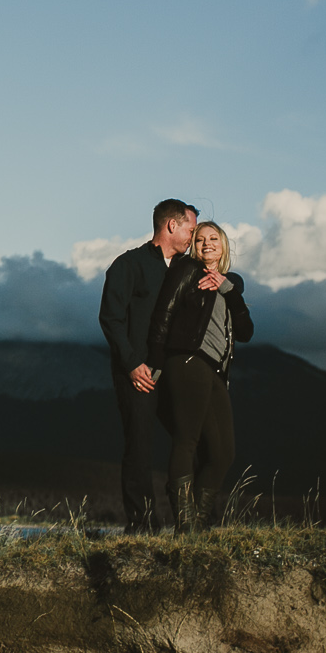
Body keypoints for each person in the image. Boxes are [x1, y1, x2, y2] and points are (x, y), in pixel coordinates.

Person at [147, 220, 253, 533]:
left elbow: (246, 332)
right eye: (201, 239)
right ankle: (186, 524)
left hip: (215, 371)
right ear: (194, 247)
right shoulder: (186, 271)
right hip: (188, 360)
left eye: (213, 238)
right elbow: (164, 312)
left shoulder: (229, 284)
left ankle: (200, 521)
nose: (207, 244)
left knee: (223, 453)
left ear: (224, 245)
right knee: (187, 439)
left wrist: (228, 288)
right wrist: (156, 359)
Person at [98, 198, 196, 534]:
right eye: (190, 229)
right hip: (138, 374)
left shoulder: (187, 267)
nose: (193, 238)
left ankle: (190, 520)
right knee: (139, 446)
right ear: (172, 225)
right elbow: (110, 318)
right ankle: (142, 525)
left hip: (177, 373)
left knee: (191, 439)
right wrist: (131, 364)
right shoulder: (129, 265)